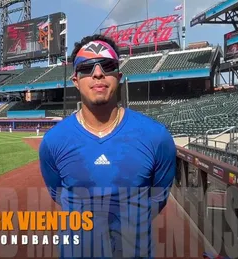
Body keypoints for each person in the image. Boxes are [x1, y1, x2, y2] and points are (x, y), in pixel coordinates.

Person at [38, 35, 176, 258]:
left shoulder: (157, 137)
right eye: (86, 68)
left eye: (107, 66)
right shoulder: (53, 142)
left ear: (118, 76)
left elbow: (157, 198)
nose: (98, 73)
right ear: (75, 80)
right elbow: (58, 194)